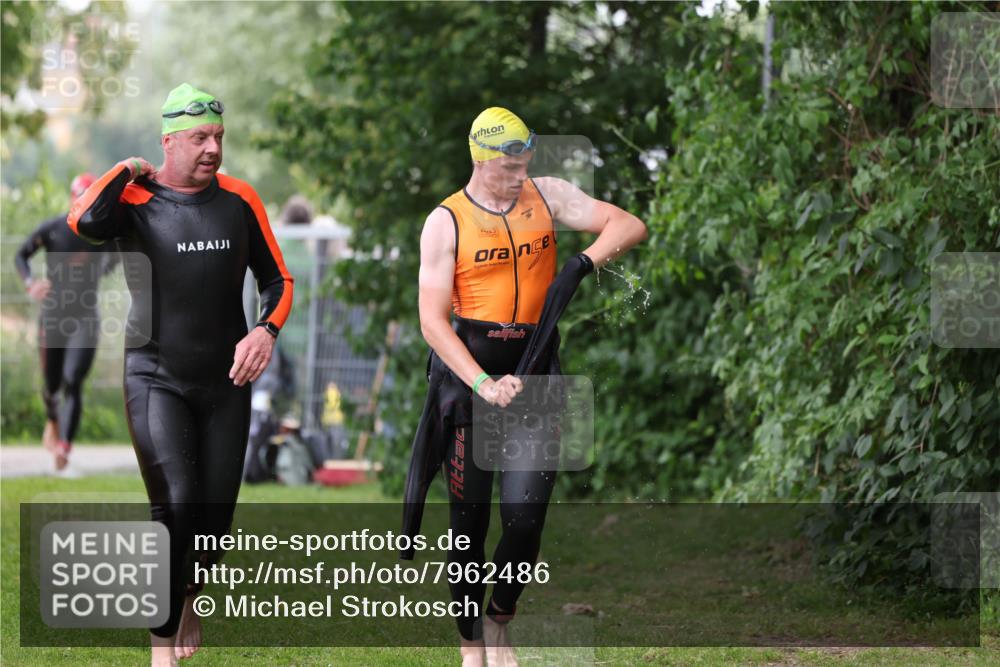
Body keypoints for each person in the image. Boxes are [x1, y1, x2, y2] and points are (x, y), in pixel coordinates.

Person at [402, 107, 647, 667]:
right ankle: (470, 649)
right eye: (510, 166)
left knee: (526, 517)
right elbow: (432, 322)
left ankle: (498, 618)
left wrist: (581, 263)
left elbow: (630, 225)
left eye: (526, 163)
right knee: (469, 525)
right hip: (466, 383)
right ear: (480, 158)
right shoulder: (447, 221)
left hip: (536, 373)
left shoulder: (549, 195)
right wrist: (483, 383)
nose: (520, 175)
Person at [67, 83, 294, 666]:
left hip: (227, 382)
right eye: (198, 138)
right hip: (154, 376)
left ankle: (188, 590)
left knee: (213, 526)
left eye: (218, 136)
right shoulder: (136, 199)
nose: (212, 148)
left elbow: (279, 281)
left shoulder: (239, 199)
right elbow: (83, 220)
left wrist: (265, 331)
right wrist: (126, 167)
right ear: (169, 140)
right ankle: (160, 652)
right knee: (175, 505)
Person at [14, 172, 117, 471]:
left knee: (74, 380)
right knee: (52, 384)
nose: (86, 205)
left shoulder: (104, 236)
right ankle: (52, 419)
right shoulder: (54, 229)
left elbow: (117, 257)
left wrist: (101, 268)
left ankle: (64, 449)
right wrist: (30, 282)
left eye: (92, 199)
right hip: (53, 315)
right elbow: (21, 255)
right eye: (82, 198)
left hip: (85, 316)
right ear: (73, 198)